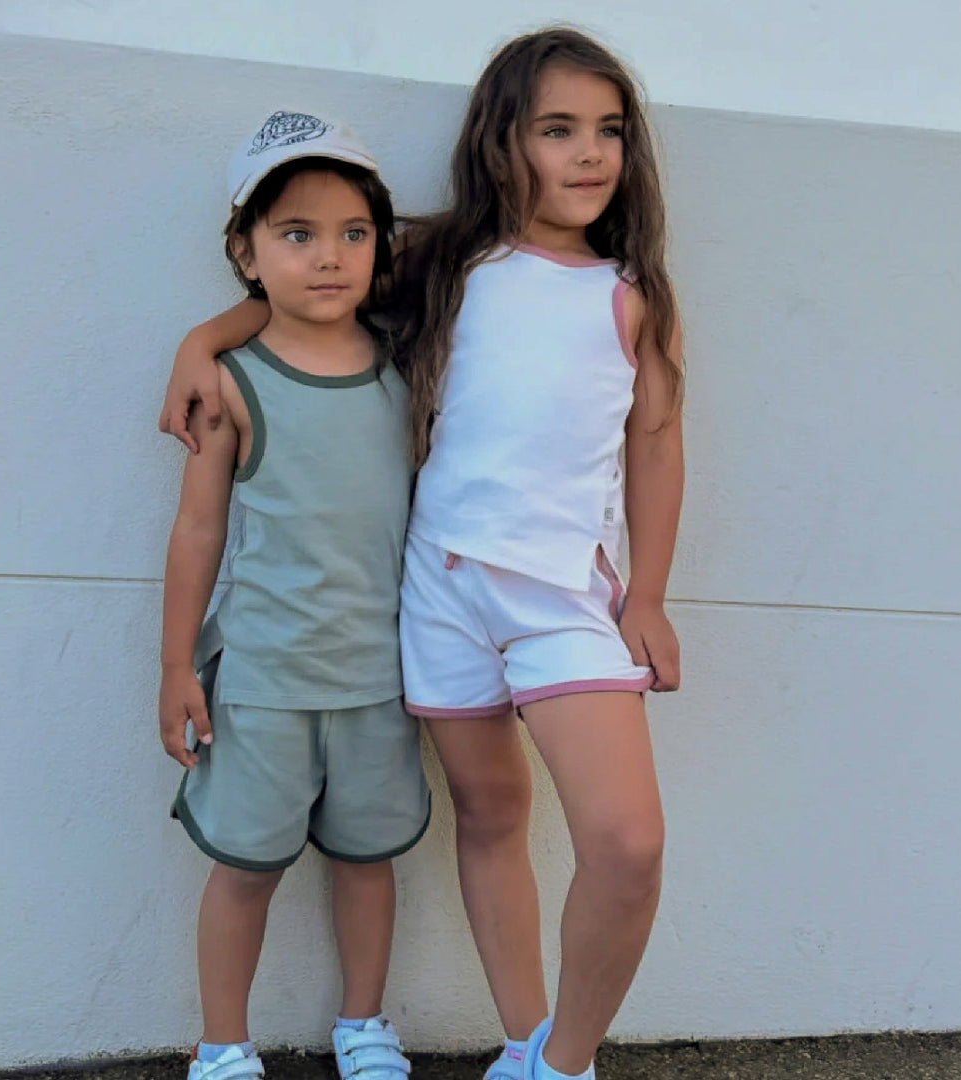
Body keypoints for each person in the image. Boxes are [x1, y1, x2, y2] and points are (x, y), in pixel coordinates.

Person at [160, 28, 683, 1080]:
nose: (589, 155)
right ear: (502, 141)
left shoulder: (630, 292)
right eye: (557, 130)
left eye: (608, 133)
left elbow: (659, 440)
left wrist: (653, 594)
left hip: (561, 597)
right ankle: (527, 1043)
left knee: (625, 845)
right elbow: (311, 280)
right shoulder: (443, 261)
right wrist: (200, 341)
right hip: (437, 596)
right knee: (490, 816)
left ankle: (565, 1063)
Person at [158, 110, 429, 1080]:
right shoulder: (231, 385)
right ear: (246, 249)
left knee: (368, 863)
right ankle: (222, 1044)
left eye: (354, 233)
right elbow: (198, 532)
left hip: (379, 682)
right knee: (245, 870)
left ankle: (364, 1024)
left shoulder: (410, 370)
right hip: (262, 681)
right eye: (296, 234)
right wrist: (175, 669)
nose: (330, 257)